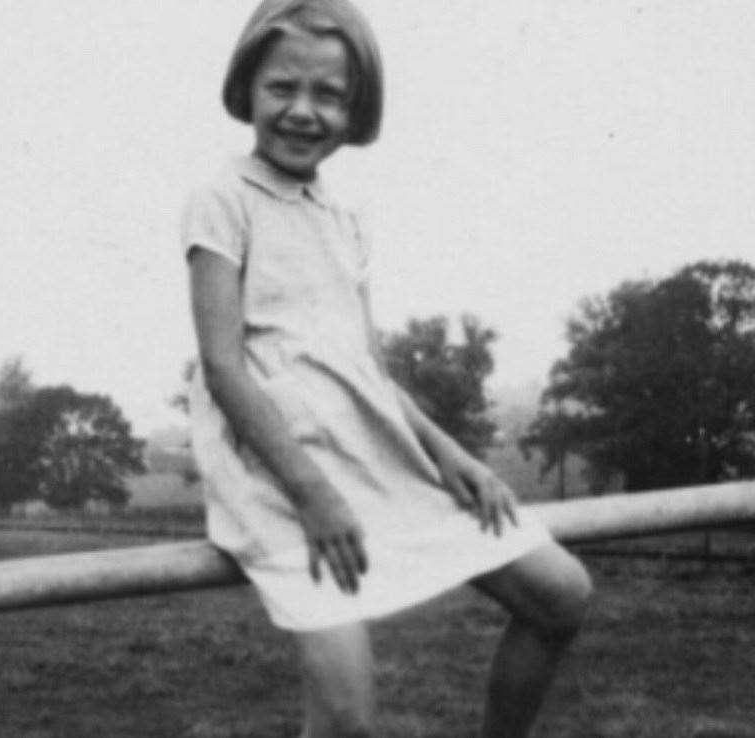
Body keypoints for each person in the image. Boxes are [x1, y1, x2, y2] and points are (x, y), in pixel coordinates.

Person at [181, 1, 592, 735]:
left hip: (371, 454)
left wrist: (452, 455)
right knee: (347, 720)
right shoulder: (223, 199)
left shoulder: (345, 218)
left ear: (357, 104)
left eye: (329, 94)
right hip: (281, 477)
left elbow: (366, 367)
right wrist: (311, 494)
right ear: (247, 86)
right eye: (283, 88)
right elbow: (222, 367)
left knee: (560, 594)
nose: (303, 111)